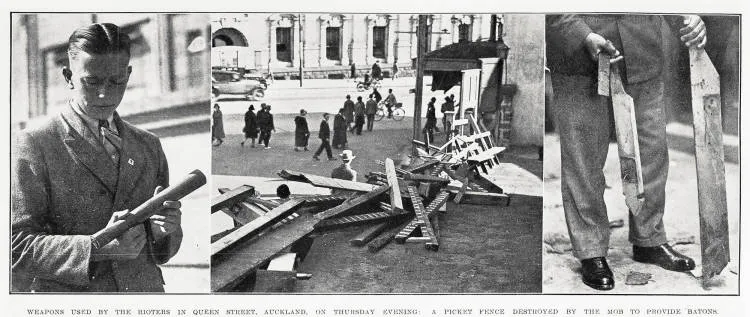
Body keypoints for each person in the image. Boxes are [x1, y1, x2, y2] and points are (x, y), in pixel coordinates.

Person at [11, 23, 182, 292]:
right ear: (68, 77)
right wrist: (96, 249)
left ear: (129, 73)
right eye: (91, 82)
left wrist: (164, 232)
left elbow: (161, 251)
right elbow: (15, 246)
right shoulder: (34, 143)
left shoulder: (149, 145)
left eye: (117, 81)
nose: (105, 93)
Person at [546, 14, 707, 291]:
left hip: (643, 49)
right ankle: (591, 250)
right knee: (583, 157)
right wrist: (582, 34)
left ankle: (650, 240)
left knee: (651, 151)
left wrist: (689, 13)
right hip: (579, 53)